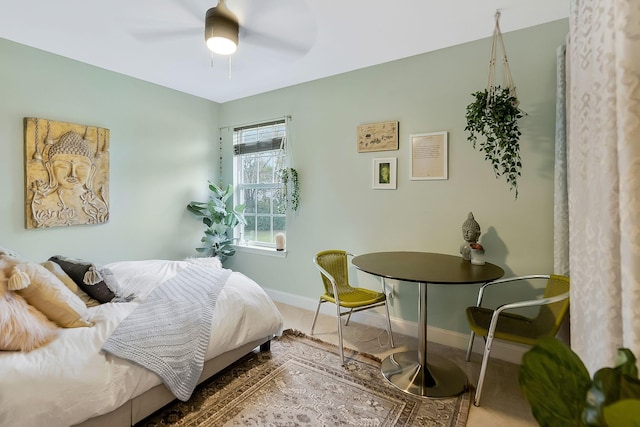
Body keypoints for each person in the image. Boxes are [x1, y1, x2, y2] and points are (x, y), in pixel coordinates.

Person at [29, 131, 108, 228]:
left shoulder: (99, 207)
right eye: (63, 166)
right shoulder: (41, 204)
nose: (72, 174)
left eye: (81, 167)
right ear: (50, 168)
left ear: (91, 171)